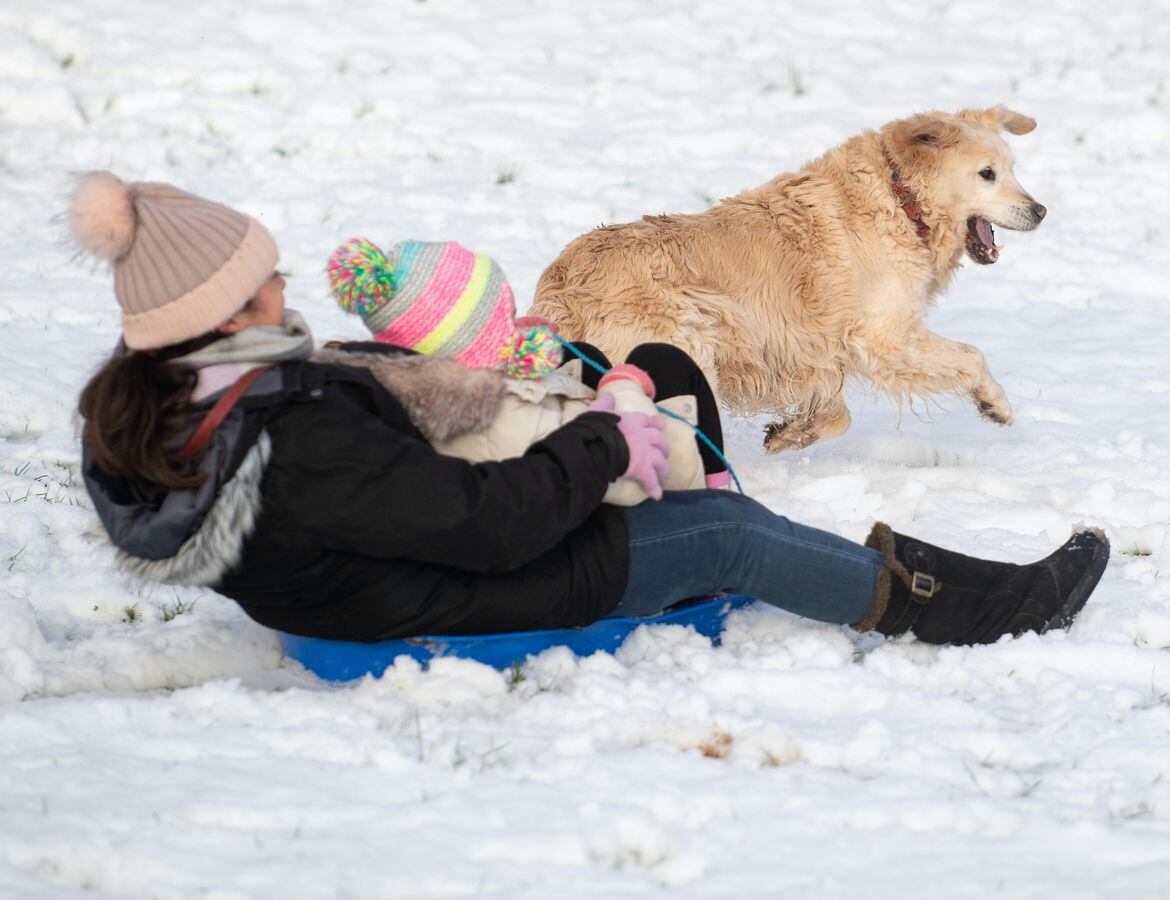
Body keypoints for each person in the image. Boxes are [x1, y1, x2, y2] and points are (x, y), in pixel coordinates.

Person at [74, 172, 1109, 646]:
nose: (282, 294)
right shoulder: (290, 441)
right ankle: (969, 608)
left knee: (656, 358)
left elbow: (385, 445)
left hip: (399, 547)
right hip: (426, 594)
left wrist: (518, 379)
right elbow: (488, 529)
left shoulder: (177, 391)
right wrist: (602, 438)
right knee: (725, 532)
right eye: (261, 288)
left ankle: (679, 455)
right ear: (215, 316)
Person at [317, 236, 732, 505]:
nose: (514, 326)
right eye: (504, 316)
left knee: (581, 352)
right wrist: (623, 389)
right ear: (471, 339)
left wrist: (510, 339)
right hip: (639, 477)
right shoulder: (499, 418)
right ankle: (717, 504)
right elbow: (607, 462)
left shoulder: (422, 386)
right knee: (663, 361)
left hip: (571, 452)